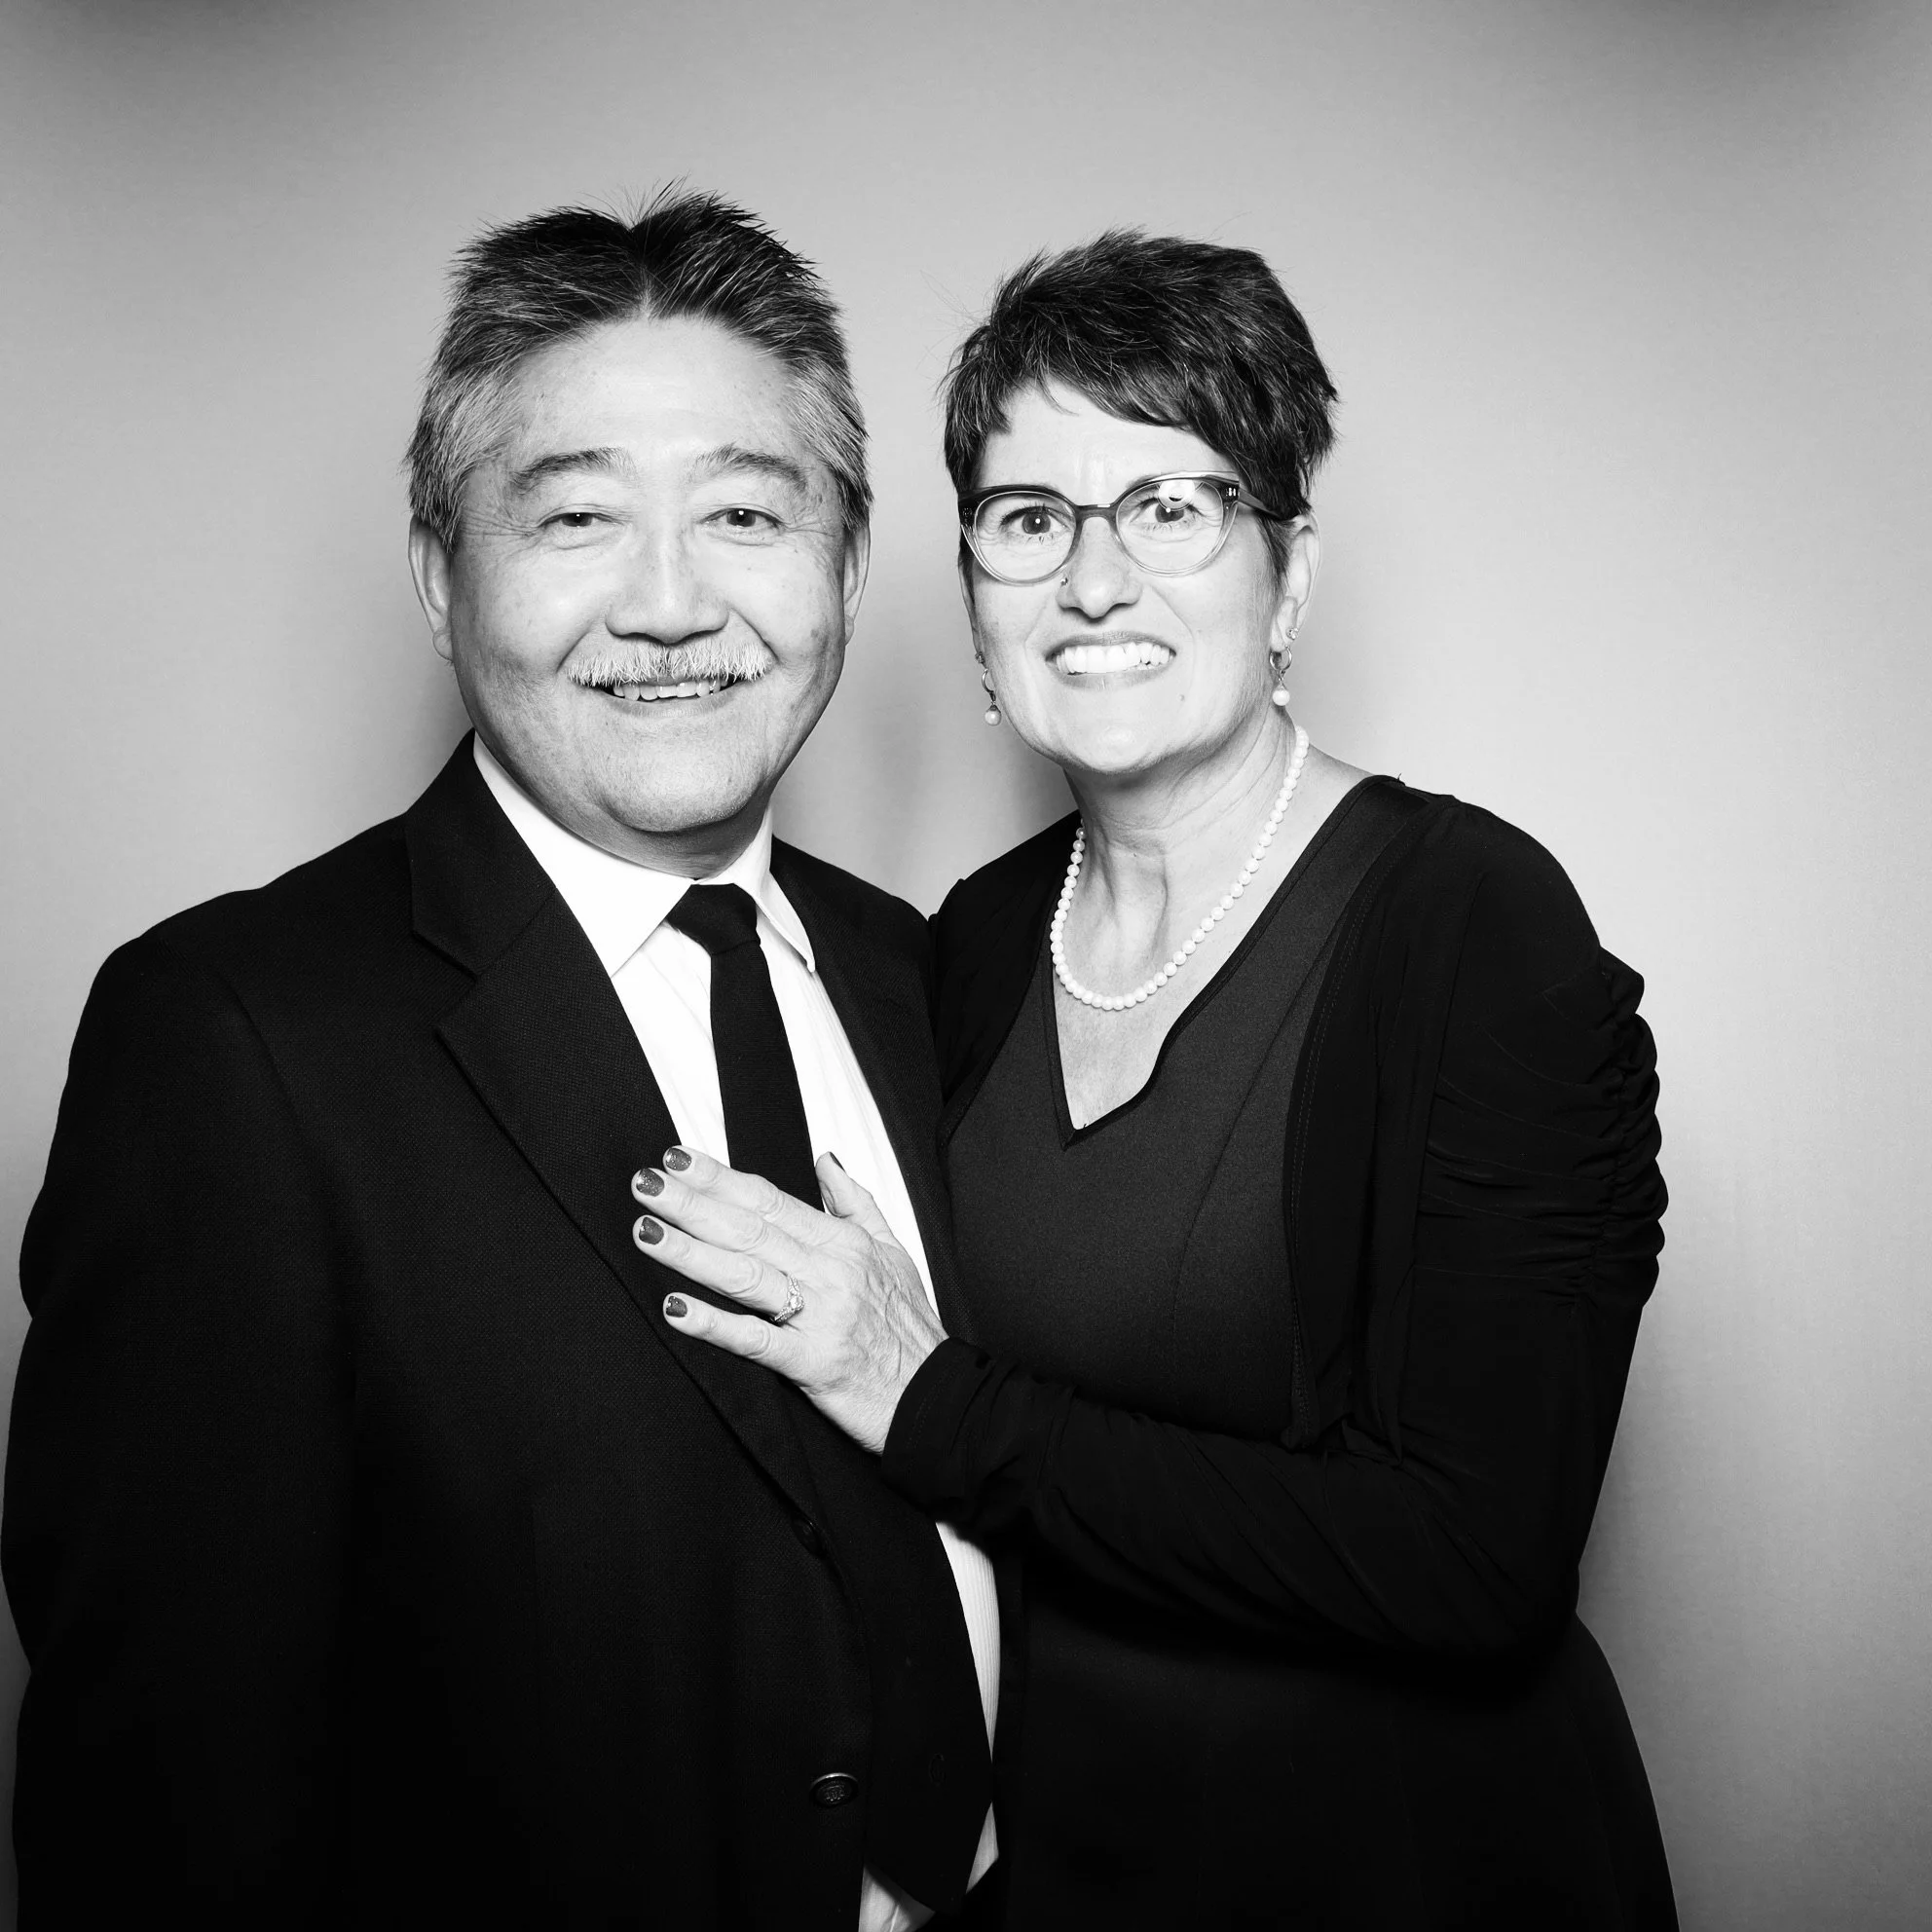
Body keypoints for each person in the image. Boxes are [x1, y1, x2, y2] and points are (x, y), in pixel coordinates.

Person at [633, 231, 1677, 1929]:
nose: (1093, 581)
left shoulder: (1472, 927)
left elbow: (1474, 1564)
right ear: (975, 593)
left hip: (1406, 1866)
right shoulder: (963, 945)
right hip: (1061, 1860)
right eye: (1029, 519)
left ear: (1291, 574)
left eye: (1169, 507)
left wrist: (930, 1401)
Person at [3, 192, 999, 1930]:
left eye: (747, 512)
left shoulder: (930, 976)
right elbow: (159, 1805)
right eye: (579, 516)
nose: (672, 604)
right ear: (438, 573)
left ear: (845, 567)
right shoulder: (233, 1042)